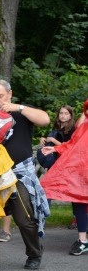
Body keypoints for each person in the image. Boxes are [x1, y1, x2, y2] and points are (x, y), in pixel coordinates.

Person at [0, 80, 50, 271]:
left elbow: (45, 119)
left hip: (18, 174)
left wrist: (18, 107)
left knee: (24, 218)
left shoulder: (21, 112)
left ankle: (34, 253)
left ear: (10, 94)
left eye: (1, 96)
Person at [40, 100, 87, 255]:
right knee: (79, 200)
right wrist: (54, 148)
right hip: (82, 173)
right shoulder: (83, 126)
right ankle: (83, 240)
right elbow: (72, 144)